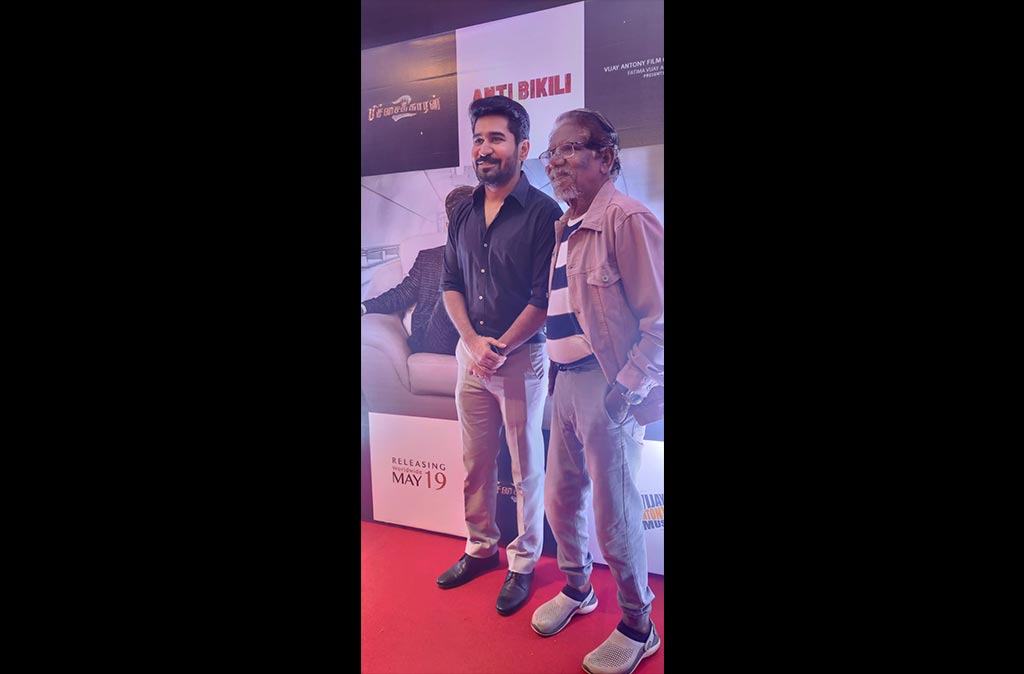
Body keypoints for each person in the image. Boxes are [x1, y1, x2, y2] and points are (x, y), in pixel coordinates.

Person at [530, 108, 664, 674]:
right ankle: (578, 588)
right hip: (563, 384)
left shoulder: (626, 219)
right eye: (551, 153)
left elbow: (660, 320)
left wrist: (626, 388)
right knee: (561, 501)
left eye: (570, 149)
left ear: (606, 157)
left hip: (606, 388)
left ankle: (638, 624)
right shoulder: (566, 226)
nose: (556, 162)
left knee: (615, 516)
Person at [436, 95, 562, 617]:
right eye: (478, 139)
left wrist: (501, 347)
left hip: (520, 359)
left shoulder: (545, 214)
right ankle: (480, 546)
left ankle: (524, 560)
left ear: (523, 148)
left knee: (526, 466)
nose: (483, 149)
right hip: (471, 357)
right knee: (475, 462)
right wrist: (472, 342)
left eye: (496, 139)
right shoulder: (462, 209)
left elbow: (543, 299)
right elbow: (449, 284)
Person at [360, 185, 475, 356]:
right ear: (448, 226)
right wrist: (364, 307)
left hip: (480, 337)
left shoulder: (495, 259)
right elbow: (402, 294)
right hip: (433, 338)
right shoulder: (428, 258)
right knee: (453, 291)